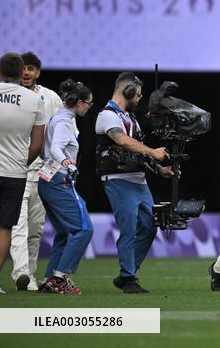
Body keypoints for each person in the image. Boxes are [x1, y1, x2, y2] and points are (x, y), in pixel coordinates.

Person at [95, 72, 172, 294]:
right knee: (128, 228)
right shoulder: (107, 116)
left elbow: (137, 153)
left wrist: (161, 170)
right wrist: (153, 152)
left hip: (138, 181)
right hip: (118, 180)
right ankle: (129, 277)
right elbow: (121, 140)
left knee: (149, 227)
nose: (139, 99)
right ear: (127, 92)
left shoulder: (130, 118)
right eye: (137, 95)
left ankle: (128, 272)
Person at [36, 80, 95, 295]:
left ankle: (49, 279)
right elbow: (55, 149)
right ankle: (59, 279)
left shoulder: (59, 117)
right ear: (78, 103)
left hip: (48, 180)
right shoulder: (64, 122)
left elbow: (46, 151)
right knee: (84, 229)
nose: (89, 107)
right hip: (58, 181)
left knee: (65, 232)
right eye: (88, 103)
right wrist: (68, 163)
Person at [9, 52, 61, 292]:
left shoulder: (50, 98)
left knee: (35, 228)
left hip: (41, 172)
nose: (27, 72)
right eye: (23, 68)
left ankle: (28, 275)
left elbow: (60, 135)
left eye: (31, 68)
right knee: (17, 225)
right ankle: (20, 272)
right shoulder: (8, 97)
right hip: (14, 170)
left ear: (38, 72)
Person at [0, 53, 46, 295]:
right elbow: (37, 145)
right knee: (6, 228)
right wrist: (19, 163)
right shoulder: (34, 99)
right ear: (21, 74)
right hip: (16, 173)